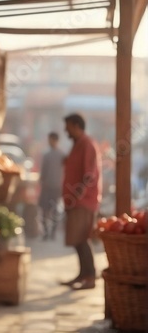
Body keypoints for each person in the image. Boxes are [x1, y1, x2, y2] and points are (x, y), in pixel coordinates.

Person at [60, 113, 102, 290]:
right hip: (75, 201)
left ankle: (90, 276)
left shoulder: (87, 144)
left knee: (82, 239)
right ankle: (83, 274)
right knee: (77, 239)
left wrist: (78, 195)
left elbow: (89, 174)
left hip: (83, 201)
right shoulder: (79, 144)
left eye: (68, 126)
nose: (65, 130)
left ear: (76, 126)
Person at [38, 132, 66, 240]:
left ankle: (51, 233)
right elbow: (43, 173)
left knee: (53, 211)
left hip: (55, 188)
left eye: (51, 139)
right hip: (48, 187)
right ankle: (46, 233)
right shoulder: (47, 155)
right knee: (45, 211)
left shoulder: (61, 156)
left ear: (55, 140)